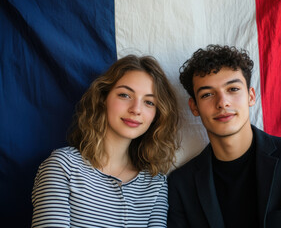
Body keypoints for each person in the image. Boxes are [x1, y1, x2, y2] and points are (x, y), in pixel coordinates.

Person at [167, 45, 281, 228]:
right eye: (208, 94)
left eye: (233, 89)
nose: (222, 102)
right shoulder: (181, 184)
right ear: (194, 107)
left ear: (251, 96)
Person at [32, 55, 179, 227]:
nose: (136, 109)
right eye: (125, 95)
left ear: (157, 115)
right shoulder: (63, 167)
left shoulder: (155, 184)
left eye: (149, 102)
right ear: (103, 98)